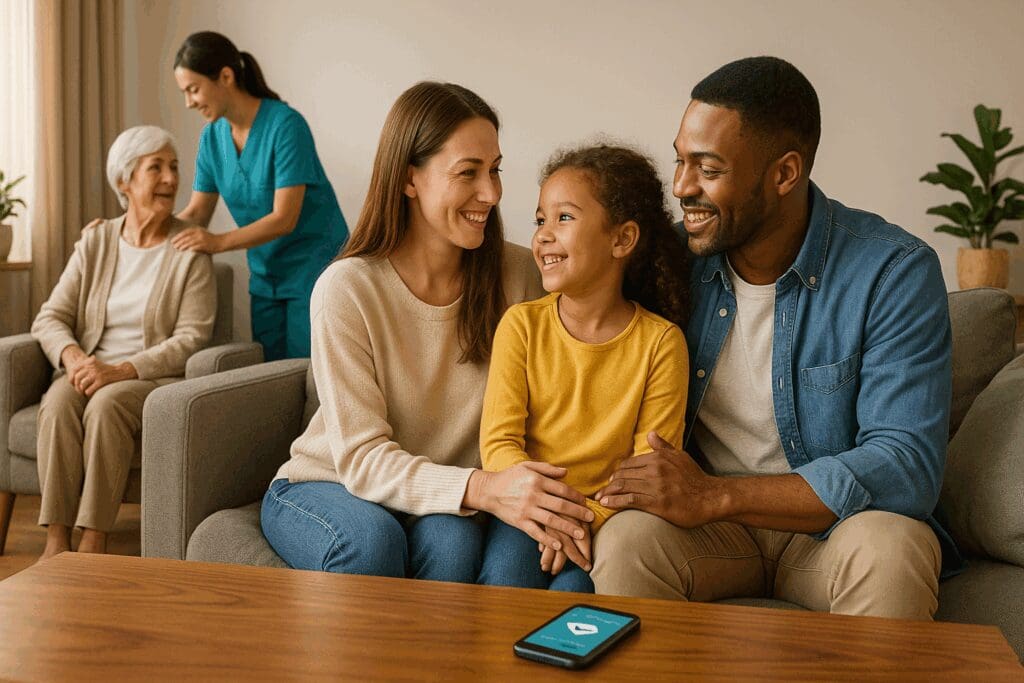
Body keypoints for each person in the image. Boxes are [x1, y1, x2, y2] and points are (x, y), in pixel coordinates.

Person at [591, 56, 956, 620]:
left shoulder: (892, 271)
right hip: (709, 535)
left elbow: (905, 465)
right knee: (626, 542)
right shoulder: (671, 264)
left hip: (831, 533)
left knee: (893, 547)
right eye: (680, 161)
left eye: (707, 169)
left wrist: (719, 494)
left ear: (784, 174)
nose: (682, 187)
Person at [260, 82, 596, 583]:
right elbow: (363, 459)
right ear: (409, 179)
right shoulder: (347, 288)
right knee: (371, 542)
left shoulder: (522, 275)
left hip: (441, 495)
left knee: (455, 544)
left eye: (495, 169)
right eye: (468, 173)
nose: (493, 193)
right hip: (331, 482)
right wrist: (484, 489)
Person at [477, 145, 691, 592]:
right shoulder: (521, 325)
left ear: (622, 239)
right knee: (506, 582)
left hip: (605, 521)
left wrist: (581, 519)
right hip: (526, 513)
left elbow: (649, 468)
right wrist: (546, 512)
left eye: (564, 218)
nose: (544, 235)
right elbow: (499, 443)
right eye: (540, 220)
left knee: (578, 596)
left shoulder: (661, 344)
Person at [31, 125, 216, 559]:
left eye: (174, 167)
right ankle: (56, 541)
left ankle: (95, 538)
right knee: (57, 405)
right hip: (89, 367)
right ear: (125, 182)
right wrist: (75, 358)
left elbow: (191, 337)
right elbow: (50, 316)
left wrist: (119, 370)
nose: (171, 179)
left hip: (148, 376)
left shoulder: (189, 247)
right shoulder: (95, 240)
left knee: (107, 404)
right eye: (157, 168)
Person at [172, 31, 348, 360]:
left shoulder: (286, 125)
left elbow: (285, 217)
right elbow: (196, 214)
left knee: (309, 373)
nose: (189, 102)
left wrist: (217, 242)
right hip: (266, 276)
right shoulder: (211, 139)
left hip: (314, 268)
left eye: (193, 90)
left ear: (225, 76)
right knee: (270, 378)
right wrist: (126, 228)